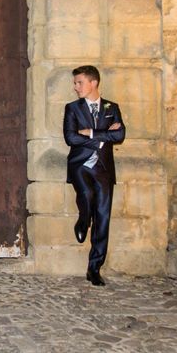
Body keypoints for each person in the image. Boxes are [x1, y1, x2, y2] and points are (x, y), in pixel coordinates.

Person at [63, 65, 125, 286]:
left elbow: (120, 134)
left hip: (104, 170)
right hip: (80, 166)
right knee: (86, 195)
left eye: (79, 82)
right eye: (75, 83)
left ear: (93, 83)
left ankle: (94, 268)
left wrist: (90, 133)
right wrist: (104, 136)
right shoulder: (72, 108)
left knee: (103, 217)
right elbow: (71, 138)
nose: (75, 87)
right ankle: (82, 219)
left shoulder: (112, 107)